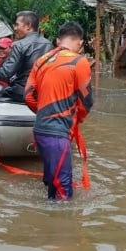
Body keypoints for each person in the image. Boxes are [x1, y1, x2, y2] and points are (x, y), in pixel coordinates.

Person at [25, 22, 93, 200]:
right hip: (57, 135)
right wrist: (76, 120)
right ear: (80, 42)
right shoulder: (79, 61)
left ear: (58, 41)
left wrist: (43, 112)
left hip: (40, 131)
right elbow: (86, 101)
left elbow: (28, 96)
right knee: (63, 191)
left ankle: (46, 221)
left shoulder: (41, 61)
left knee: (51, 182)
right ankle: (59, 225)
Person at [0, 11, 52, 102]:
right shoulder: (49, 44)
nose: (15, 28)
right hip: (42, 92)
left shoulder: (20, 45)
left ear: (28, 26)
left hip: (20, 93)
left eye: (17, 25)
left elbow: (6, 72)